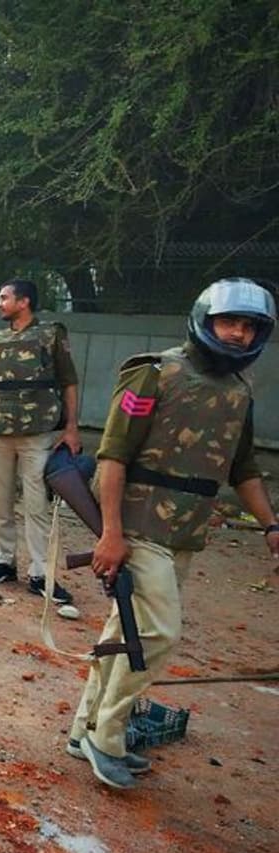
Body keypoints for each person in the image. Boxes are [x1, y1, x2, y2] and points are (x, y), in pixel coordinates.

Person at [67, 278, 278, 790]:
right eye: (229, 322)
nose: (237, 333)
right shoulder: (154, 374)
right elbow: (113, 456)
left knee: (125, 633)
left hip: (184, 532)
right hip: (139, 525)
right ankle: (108, 736)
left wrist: (270, 524)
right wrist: (111, 534)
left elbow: (243, 468)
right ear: (205, 320)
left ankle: (83, 728)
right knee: (158, 634)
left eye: (248, 326)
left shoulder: (239, 393)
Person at [0, 278, 80, 603]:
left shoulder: (50, 334)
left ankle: (41, 573)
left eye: (4, 298)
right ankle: (4, 561)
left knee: (36, 505)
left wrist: (71, 428)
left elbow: (69, 381)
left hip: (37, 432)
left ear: (24, 301)